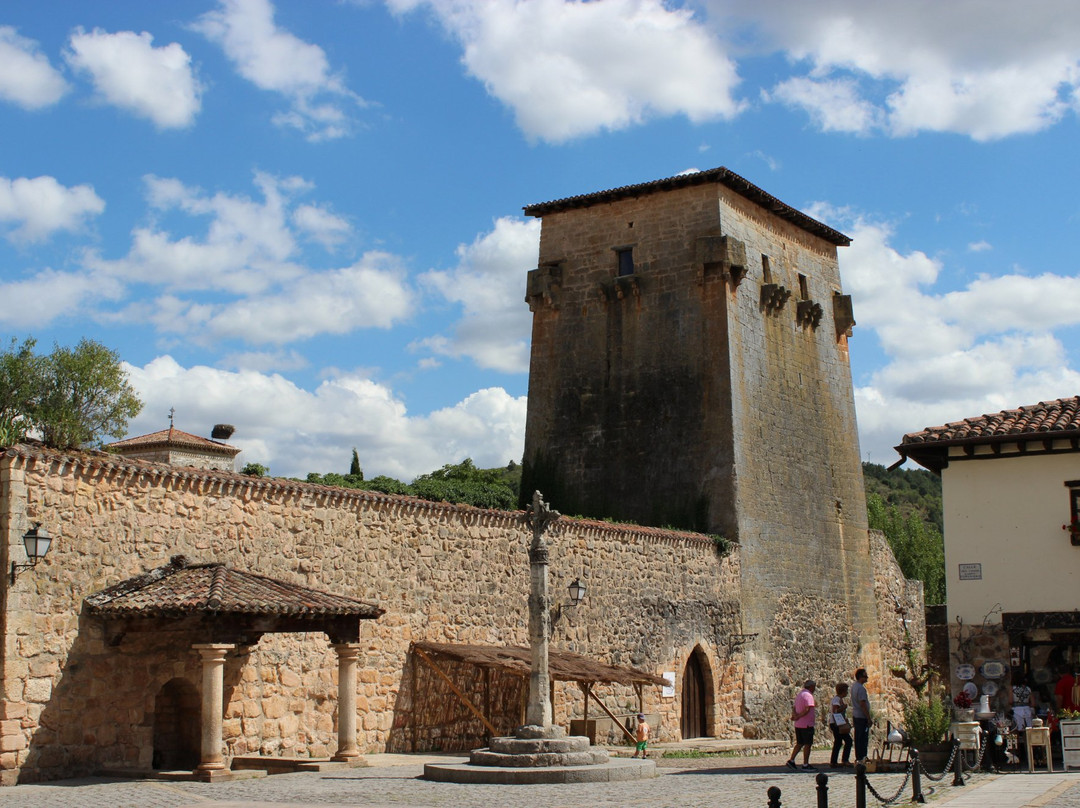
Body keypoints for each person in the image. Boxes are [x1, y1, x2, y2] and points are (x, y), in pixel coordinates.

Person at [786, 679, 817, 771]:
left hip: (799, 724)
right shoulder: (808, 695)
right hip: (807, 724)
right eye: (814, 687)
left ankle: (791, 760)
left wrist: (795, 716)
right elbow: (807, 709)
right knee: (807, 744)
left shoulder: (799, 695)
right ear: (811, 687)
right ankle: (805, 764)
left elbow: (794, 707)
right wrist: (798, 716)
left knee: (799, 743)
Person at [850, 668, 873, 764]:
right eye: (865, 676)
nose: (867, 678)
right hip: (861, 716)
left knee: (858, 737)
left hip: (856, 715)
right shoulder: (861, 689)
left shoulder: (854, 686)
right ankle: (862, 757)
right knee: (863, 738)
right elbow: (862, 704)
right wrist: (868, 718)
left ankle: (859, 757)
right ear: (860, 677)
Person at [829, 681, 853, 768]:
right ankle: (844, 760)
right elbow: (835, 711)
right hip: (837, 724)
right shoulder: (837, 700)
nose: (847, 692)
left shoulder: (839, 699)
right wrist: (843, 707)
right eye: (846, 691)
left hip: (837, 723)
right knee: (848, 741)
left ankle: (834, 761)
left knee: (838, 742)